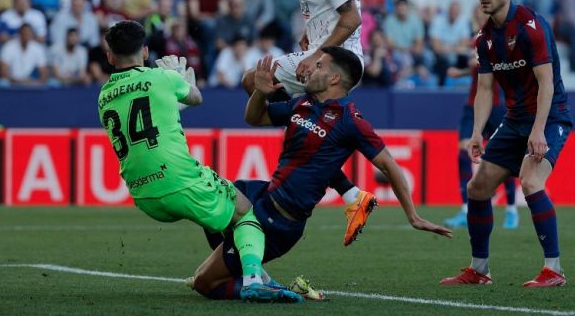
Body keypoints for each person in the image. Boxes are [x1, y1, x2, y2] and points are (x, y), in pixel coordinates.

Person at [190, 47, 452, 300]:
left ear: (334, 78)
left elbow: (389, 165)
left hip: (280, 221)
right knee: (213, 201)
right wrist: (260, 93)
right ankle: (258, 277)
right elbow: (254, 118)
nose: (309, 70)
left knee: (203, 283)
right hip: (265, 195)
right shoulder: (303, 102)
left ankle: (279, 291)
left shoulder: (351, 120)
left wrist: (413, 216)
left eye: (318, 66)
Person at [97, 20, 301, 303]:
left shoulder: (104, 96)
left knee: (222, 220)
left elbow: (151, 114)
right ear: (145, 52)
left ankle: (258, 278)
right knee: (245, 211)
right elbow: (196, 98)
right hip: (178, 180)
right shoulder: (162, 78)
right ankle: (254, 279)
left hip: (143, 195)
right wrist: (182, 79)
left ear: (110, 56)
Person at [241, 0, 374, 247]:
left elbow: (352, 18)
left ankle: (350, 194)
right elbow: (329, 14)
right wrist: (311, 35)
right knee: (307, 128)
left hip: (339, 63)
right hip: (325, 54)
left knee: (252, 81)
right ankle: (352, 195)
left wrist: (315, 53)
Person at [440, 0, 572, 287]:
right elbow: (485, 89)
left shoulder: (532, 26)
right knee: (477, 188)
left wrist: (539, 129)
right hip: (514, 121)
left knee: (530, 182)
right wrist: (475, 132)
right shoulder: (484, 38)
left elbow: (547, 84)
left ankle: (554, 270)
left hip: (550, 117)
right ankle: (479, 270)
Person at [443, 55, 518, 230]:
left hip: (496, 106)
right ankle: (465, 210)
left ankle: (511, 210)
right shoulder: (477, 38)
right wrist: (462, 73)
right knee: (463, 153)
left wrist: (484, 61)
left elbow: (507, 65)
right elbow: (476, 68)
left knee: (503, 157)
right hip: (473, 105)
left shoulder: (503, 36)